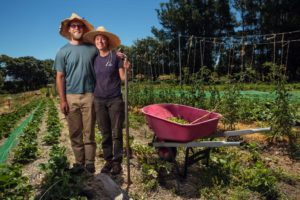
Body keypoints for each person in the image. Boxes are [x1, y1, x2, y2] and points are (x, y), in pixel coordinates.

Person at [54, 13, 98, 173]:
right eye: (74, 26)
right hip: (70, 97)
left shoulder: (92, 49)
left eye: (80, 26)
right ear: (69, 29)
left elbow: (105, 59)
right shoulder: (62, 52)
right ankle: (79, 162)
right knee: (75, 132)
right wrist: (62, 100)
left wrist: (119, 58)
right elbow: (60, 77)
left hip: (90, 95)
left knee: (89, 131)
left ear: (83, 28)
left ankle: (90, 163)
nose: (77, 28)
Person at [83, 26, 131, 175]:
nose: (100, 41)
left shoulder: (116, 57)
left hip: (115, 99)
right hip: (99, 100)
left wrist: (127, 69)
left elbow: (123, 78)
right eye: (97, 39)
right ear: (95, 42)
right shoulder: (94, 59)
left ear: (107, 41)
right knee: (105, 132)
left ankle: (117, 162)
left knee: (116, 132)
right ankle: (108, 161)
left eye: (103, 38)